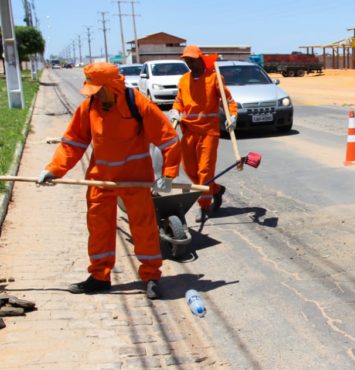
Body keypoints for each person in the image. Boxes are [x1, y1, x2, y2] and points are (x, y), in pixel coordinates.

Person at [38, 63, 181, 299]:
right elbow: (73, 142)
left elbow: (168, 140)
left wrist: (168, 174)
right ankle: (99, 277)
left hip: (135, 179)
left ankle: (151, 276)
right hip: (101, 178)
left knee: (143, 230)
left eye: (98, 89)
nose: (94, 94)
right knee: (99, 229)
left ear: (112, 86)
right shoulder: (90, 107)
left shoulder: (138, 104)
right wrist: (54, 169)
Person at [169, 45, 238, 223]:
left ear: (200, 59)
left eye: (192, 60)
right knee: (190, 170)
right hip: (189, 131)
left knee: (205, 172)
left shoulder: (214, 78)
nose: (189, 64)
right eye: (187, 61)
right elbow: (179, 101)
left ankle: (204, 206)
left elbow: (227, 100)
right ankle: (215, 189)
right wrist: (175, 111)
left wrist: (232, 116)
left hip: (209, 132)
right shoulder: (184, 80)